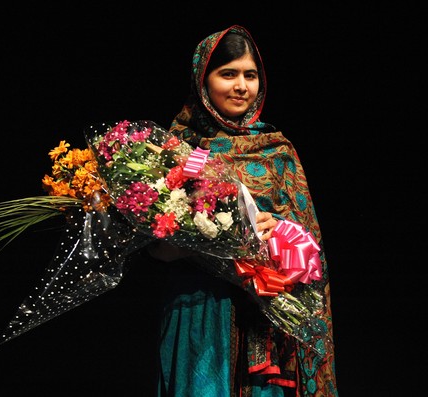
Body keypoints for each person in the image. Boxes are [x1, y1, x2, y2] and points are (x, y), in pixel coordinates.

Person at [147, 25, 338, 396]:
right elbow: (156, 250)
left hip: (265, 316)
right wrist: (193, 239)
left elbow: (310, 247)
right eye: (228, 74)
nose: (241, 87)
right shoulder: (173, 150)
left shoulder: (276, 151)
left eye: (250, 75)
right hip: (199, 310)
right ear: (203, 79)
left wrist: (278, 231)